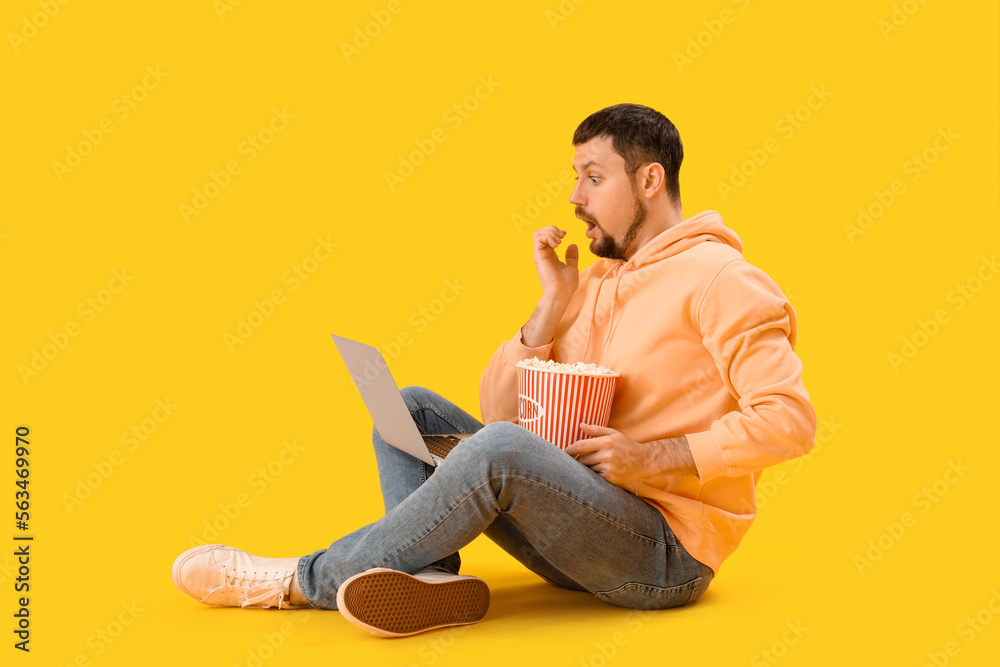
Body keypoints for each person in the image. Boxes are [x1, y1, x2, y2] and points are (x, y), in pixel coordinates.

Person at [171, 103, 817, 637]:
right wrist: (550, 307)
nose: (574, 197)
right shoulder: (591, 282)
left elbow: (791, 421)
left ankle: (296, 579)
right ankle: (430, 581)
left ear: (650, 180)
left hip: (662, 554)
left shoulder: (724, 280)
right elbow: (504, 410)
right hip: (580, 519)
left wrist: (657, 457)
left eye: (594, 177)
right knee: (410, 409)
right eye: (574, 176)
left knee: (499, 450)